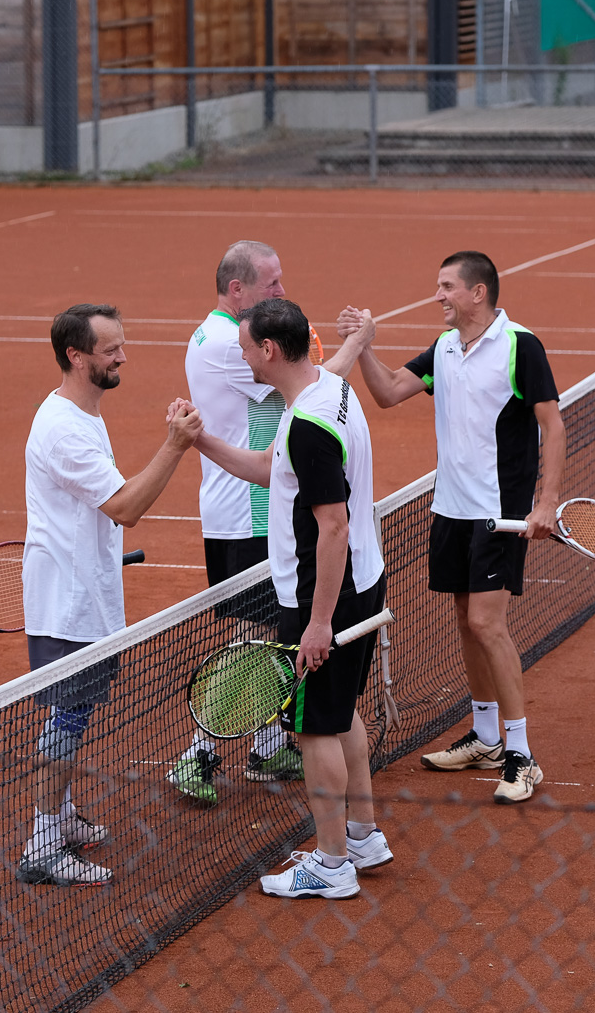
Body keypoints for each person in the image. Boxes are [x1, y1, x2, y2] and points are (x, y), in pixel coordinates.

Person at [330, 251, 564, 804]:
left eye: (446, 287)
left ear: (477, 293)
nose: (438, 296)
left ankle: (521, 754)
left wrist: (545, 504)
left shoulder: (519, 345)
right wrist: (363, 346)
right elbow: (387, 392)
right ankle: (485, 737)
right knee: (465, 618)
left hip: (499, 512)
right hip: (451, 509)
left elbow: (552, 426)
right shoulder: (445, 349)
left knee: (487, 623)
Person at [190, 297, 391, 899]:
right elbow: (271, 468)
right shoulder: (326, 392)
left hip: (321, 594)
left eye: (246, 347)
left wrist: (318, 622)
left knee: (313, 731)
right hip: (359, 580)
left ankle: (331, 865)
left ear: (269, 351)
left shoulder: (308, 424)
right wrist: (202, 442)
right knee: (341, 713)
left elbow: (332, 524)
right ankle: (363, 834)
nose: (242, 356)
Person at [17, 303, 203, 886]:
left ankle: (60, 815)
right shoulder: (64, 430)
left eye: (122, 345)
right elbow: (125, 507)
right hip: (67, 605)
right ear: (76, 356)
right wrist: (175, 445)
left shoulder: (81, 413)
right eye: (110, 350)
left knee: (72, 712)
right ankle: (43, 844)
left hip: (86, 595)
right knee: (66, 719)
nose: (122, 356)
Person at [168, 240, 305, 806]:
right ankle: (197, 755)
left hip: (248, 511)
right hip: (247, 514)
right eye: (271, 283)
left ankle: (268, 745)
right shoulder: (231, 345)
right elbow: (307, 379)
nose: (281, 290)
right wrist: (356, 348)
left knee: (269, 638)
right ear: (237, 290)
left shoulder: (219, 333)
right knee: (251, 643)